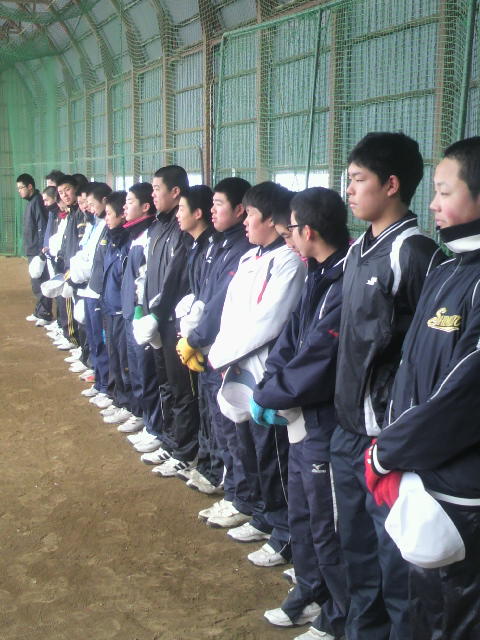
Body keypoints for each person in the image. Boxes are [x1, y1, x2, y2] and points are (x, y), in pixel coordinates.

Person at [331, 132, 444, 640]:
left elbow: (430, 355)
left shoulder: (416, 253)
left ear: (392, 185)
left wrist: (401, 433)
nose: (350, 191)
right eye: (348, 180)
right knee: (354, 546)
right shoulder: (359, 249)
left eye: (358, 180)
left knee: (394, 561)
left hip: (387, 441)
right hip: (347, 428)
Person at [366, 136, 480, 640]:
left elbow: (464, 396)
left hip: (463, 495)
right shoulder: (449, 269)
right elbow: (411, 366)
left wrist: (387, 452)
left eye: (444, 192)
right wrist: (393, 447)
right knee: (421, 608)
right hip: (423, 477)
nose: (432, 204)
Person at [252, 187, 349, 639]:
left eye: (290, 229)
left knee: (327, 523)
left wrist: (274, 392)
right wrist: (268, 385)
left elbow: (319, 358)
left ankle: (338, 614)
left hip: (324, 420)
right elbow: (292, 337)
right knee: (304, 513)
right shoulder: (318, 272)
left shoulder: (345, 279)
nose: (287, 236)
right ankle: (310, 589)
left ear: (308, 231)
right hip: (298, 416)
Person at [208, 181, 306, 566]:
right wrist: (223, 355)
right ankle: (264, 516)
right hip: (236, 365)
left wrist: (222, 354)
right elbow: (231, 313)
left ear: (271, 220)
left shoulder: (288, 262)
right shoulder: (250, 258)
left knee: (273, 455)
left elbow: (268, 321)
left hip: (265, 372)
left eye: (250, 214)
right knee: (248, 446)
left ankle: (284, 534)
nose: (245, 222)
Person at [174, 177, 253, 511]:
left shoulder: (240, 249)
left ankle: (236, 493)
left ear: (240, 210)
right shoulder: (218, 243)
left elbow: (220, 303)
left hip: (223, 351)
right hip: (208, 347)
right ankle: (213, 470)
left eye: (219, 204)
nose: (212, 211)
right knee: (210, 415)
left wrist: (195, 337)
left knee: (229, 427)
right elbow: (205, 294)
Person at [134, 165, 200, 477]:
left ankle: (186, 451)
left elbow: (176, 279)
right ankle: (170, 439)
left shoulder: (181, 229)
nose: (153, 194)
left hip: (173, 321)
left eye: (157, 189)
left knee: (181, 387)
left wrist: (159, 313)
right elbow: (150, 274)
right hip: (156, 319)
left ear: (175, 192)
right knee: (165, 383)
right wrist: (144, 309)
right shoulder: (159, 226)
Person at [173, 185, 221, 489]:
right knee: (203, 404)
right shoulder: (198, 245)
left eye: (182, 209)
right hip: (195, 333)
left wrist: (196, 334)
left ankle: (213, 470)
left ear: (197, 213)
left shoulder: (216, 247)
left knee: (212, 410)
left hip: (210, 342)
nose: (178, 215)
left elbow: (214, 300)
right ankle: (204, 462)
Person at [100, 191, 136, 430]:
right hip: (110, 307)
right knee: (115, 357)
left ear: (122, 215)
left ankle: (130, 405)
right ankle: (120, 398)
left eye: (109, 214)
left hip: (123, 311)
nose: (106, 219)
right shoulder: (113, 239)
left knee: (125, 361)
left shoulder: (129, 242)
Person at [16, 173, 52, 325]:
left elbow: (41, 226)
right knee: (36, 282)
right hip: (32, 250)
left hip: (37, 250)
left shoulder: (37, 201)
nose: (19, 191)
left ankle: (45, 314)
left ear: (30, 186)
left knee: (40, 281)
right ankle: (39, 311)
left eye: (21, 188)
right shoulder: (32, 202)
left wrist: (41, 251)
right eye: (18, 188)